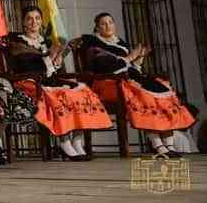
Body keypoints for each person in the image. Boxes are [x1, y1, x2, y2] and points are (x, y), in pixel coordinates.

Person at [82, 12, 195, 157]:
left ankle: (169, 145)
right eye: (103, 23)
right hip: (109, 83)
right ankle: (157, 145)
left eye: (110, 22)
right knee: (145, 96)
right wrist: (130, 57)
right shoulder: (94, 45)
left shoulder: (121, 44)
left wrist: (139, 57)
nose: (108, 26)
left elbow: (131, 67)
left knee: (163, 90)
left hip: (127, 79)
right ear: (97, 28)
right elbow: (106, 68)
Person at [7, 6, 112, 160]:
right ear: (23, 22)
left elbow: (54, 68)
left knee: (82, 91)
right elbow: (24, 66)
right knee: (60, 95)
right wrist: (49, 57)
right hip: (29, 82)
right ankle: (64, 142)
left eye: (37, 18)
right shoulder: (17, 41)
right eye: (29, 18)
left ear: (42, 21)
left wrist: (56, 59)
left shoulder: (48, 41)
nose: (33, 22)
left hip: (49, 79)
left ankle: (76, 140)